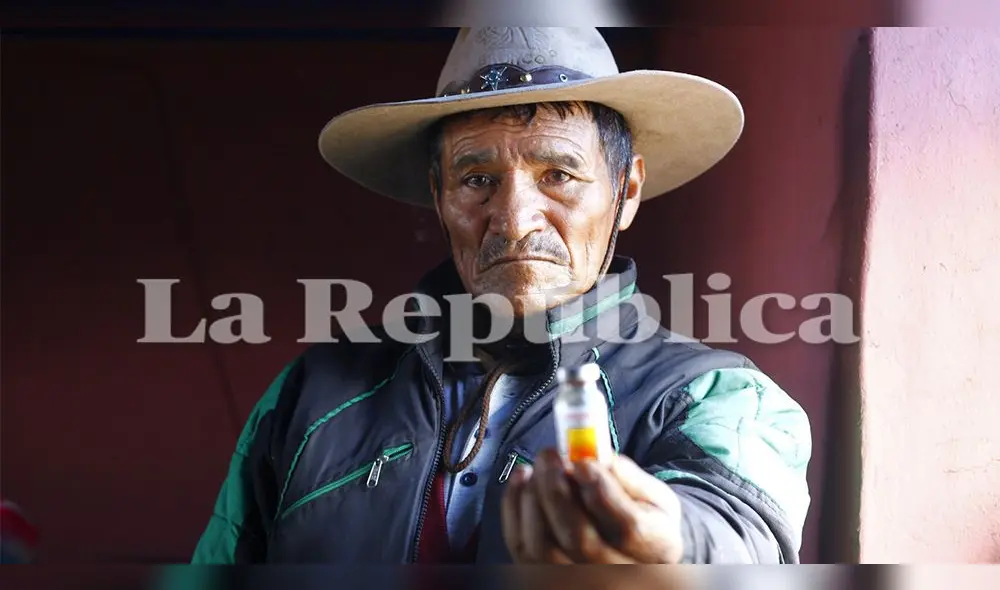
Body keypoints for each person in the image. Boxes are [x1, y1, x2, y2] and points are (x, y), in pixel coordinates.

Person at [191, 27, 811, 565]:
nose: (513, 219)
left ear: (626, 192)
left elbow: (737, 530)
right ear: (439, 197)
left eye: (559, 175)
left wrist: (662, 543)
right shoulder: (314, 392)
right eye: (477, 180)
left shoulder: (716, 396)